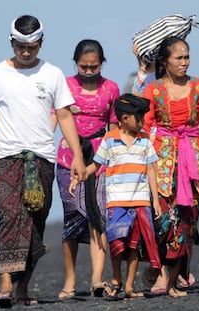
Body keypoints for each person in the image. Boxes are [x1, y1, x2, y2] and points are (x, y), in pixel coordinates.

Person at [0, 15, 86, 307]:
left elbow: (65, 115)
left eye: (32, 46)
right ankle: (6, 282)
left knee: (34, 222)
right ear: (11, 43)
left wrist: (78, 158)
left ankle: (23, 288)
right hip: (5, 157)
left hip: (42, 158)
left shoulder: (53, 74)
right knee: (9, 216)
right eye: (20, 46)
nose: (26, 51)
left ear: (41, 43)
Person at [141, 36, 199, 297]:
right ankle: (162, 272)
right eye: (178, 58)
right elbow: (144, 128)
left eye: (186, 57)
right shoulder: (153, 90)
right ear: (165, 62)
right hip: (163, 161)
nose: (184, 63)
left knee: (188, 219)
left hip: (193, 160)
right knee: (165, 219)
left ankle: (176, 273)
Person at [69, 93, 162, 300]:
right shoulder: (110, 140)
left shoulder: (145, 140)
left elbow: (151, 170)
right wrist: (79, 177)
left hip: (140, 202)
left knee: (134, 246)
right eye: (139, 118)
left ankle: (129, 286)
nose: (142, 122)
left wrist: (154, 200)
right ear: (124, 119)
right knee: (117, 244)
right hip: (116, 203)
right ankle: (117, 278)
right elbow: (96, 164)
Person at [55, 39, 120, 299]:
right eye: (84, 66)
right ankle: (70, 279)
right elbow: (55, 118)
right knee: (72, 217)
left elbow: (114, 126)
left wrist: (111, 157)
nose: (89, 71)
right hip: (66, 158)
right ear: (75, 63)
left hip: (100, 158)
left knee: (98, 217)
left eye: (94, 66)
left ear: (102, 63)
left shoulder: (112, 88)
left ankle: (96, 278)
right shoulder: (65, 87)